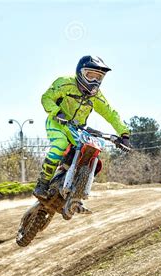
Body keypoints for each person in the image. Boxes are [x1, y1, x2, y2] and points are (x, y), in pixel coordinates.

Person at [33, 55, 131, 199]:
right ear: (80, 72)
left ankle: (75, 188)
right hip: (57, 121)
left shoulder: (96, 97)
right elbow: (46, 98)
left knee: (90, 152)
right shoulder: (65, 83)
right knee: (60, 143)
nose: (95, 81)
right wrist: (57, 112)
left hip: (77, 128)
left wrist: (124, 134)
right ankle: (42, 184)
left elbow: (111, 114)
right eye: (90, 76)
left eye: (99, 78)